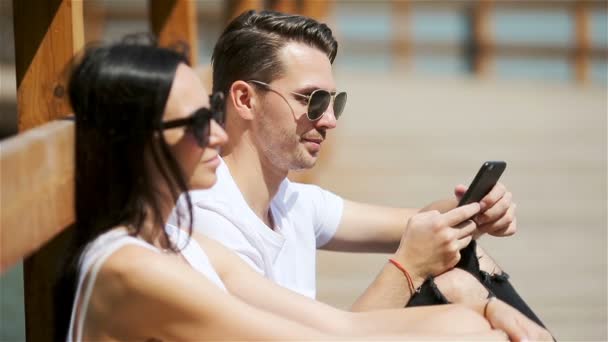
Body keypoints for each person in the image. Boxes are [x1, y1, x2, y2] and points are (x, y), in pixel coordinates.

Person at [53, 39, 552, 341]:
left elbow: (340, 329)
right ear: (138, 139)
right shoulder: (132, 267)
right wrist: (444, 296)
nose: (219, 134)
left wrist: (481, 303)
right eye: (198, 122)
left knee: (466, 295)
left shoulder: (177, 242)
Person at [180, 9, 547, 328]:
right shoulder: (211, 219)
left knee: (464, 261)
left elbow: (415, 223)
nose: (329, 120)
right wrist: (407, 267)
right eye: (311, 100)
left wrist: (476, 209)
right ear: (245, 99)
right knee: (456, 291)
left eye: (333, 102)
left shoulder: (292, 202)